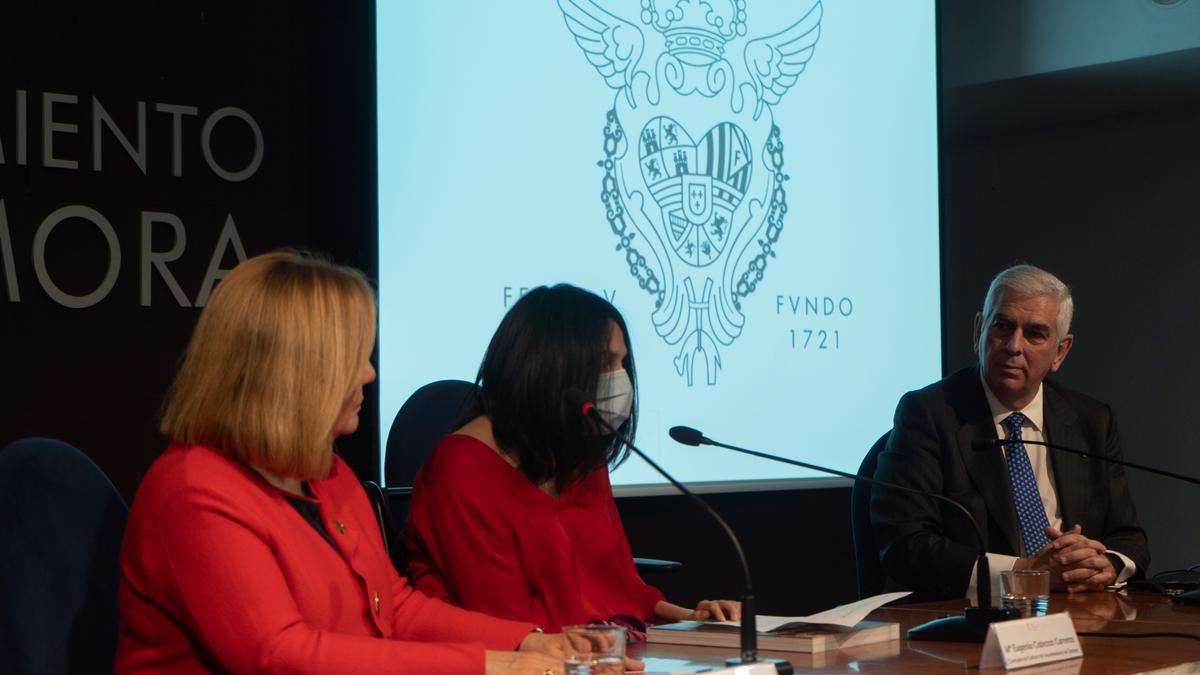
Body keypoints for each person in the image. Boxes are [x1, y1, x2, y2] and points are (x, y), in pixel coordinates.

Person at [116, 251, 566, 674]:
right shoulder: (195, 492)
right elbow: (280, 656)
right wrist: (489, 666)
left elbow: (394, 606)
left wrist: (525, 641)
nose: (369, 373)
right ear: (296, 371)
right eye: (352, 358)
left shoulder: (325, 470)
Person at [406, 284, 739, 635]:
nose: (620, 378)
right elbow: (507, 625)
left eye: (623, 362)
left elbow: (624, 589)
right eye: (604, 362)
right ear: (552, 366)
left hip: (607, 653)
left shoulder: (578, 451)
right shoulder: (460, 472)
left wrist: (692, 618)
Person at [871, 264, 1149, 601]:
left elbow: (1129, 537)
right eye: (1002, 326)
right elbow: (906, 546)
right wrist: (1025, 573)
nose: (1013, 345)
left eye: (1034, 333)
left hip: (1075, 612)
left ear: (1060, 351)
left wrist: (1105, 564)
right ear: (978, 331)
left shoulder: (1090, 420)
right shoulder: (928, 413)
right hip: (964, 619)